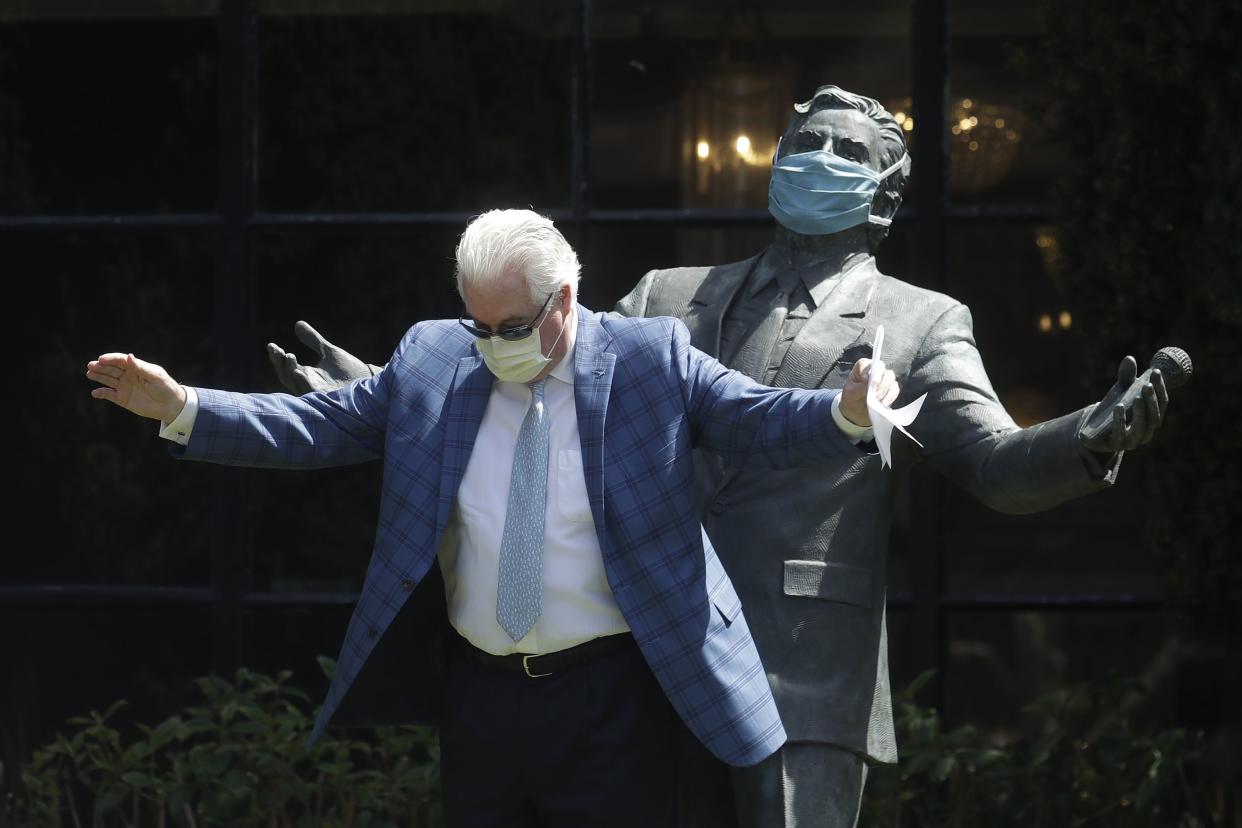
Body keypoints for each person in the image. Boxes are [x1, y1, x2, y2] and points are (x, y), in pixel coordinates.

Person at [264, 86, 1175, 828]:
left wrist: (1087, 440)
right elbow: (531, 376)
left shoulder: (920, 319)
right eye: (807, 140)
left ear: (888, 196)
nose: (817, 158)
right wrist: (383, 391)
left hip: (804, 670)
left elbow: (994, 462)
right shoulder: (668, 296)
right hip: (655, 656)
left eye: (848, 152)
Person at [86, 208, 902, 828]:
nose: (491, 343)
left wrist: (848, 411)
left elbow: (757, 418)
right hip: (482, 698)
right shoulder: (432, 359)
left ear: (566, 299)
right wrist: (185, 407)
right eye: (478, 325)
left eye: (512, 327)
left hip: (615, 695)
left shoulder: (650, 358)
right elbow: (319, 427)